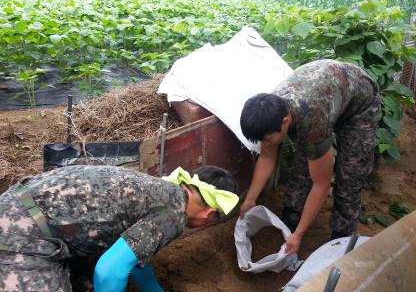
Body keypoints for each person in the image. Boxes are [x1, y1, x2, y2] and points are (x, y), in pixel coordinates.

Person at [0, 164, 240, 291]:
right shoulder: (174, 213)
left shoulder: (163, 191)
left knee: (87, 276)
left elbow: (132, 256)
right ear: (210, 213)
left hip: (22, 205)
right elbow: (108, 271)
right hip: (23, 233)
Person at [239, 59, 381, 254]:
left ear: (285, 122)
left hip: (359, 105)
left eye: (268, 139)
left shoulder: (313, 121)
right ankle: (291, 215)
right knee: (303, 165)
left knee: (350, 176)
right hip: (328, 94)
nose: (267, 143)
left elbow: (321, 185)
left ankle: (341, 236)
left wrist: (299, 234)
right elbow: (266, 157)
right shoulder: (269, 110)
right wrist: (250, 199)